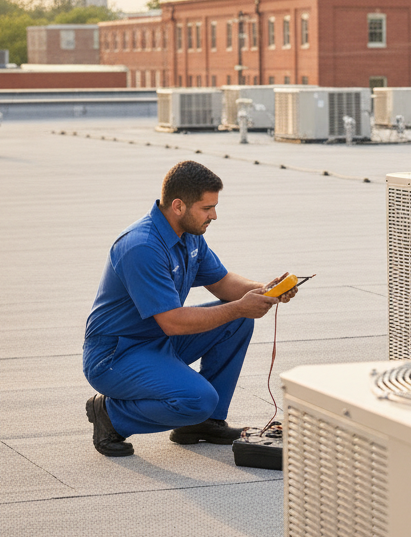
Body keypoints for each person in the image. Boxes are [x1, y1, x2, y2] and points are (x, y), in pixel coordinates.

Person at [82, 160, 296, 457]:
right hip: (116, 355)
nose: (214, 215)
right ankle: (111, 415)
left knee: (238, 321)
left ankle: (202, 424)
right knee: (198, 398)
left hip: (157, 341)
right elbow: (174, 322)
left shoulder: (190, 235)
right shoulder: (141, 246)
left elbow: (222, 283)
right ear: (179, 206)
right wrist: (240, 307)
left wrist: (267, 291)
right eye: (207, 208)